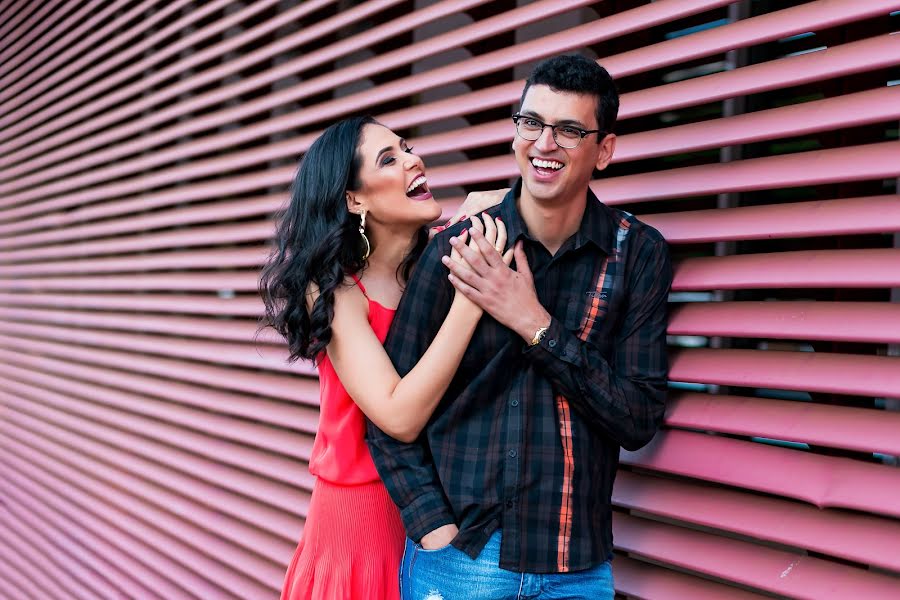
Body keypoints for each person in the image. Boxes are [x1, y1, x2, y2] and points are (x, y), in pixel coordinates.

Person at [367, 54, 673, 599]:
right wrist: (434, 529)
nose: (544, 144)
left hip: (575, 566)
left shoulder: (637, 255)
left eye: (569, 130)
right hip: (462, 560)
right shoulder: (458, 249)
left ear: (604, 150)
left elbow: (638, 417)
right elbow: (388, 413)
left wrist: (534, 324)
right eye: (531, 123)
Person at [259, 115, 511, 599]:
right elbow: (398, 414)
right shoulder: (334, 291)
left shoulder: (443, 257)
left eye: (407, 147)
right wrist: (471, 297)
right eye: (388, 159)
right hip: (360, 523)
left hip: (448, 509)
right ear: (355, 199)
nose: (414, 159)